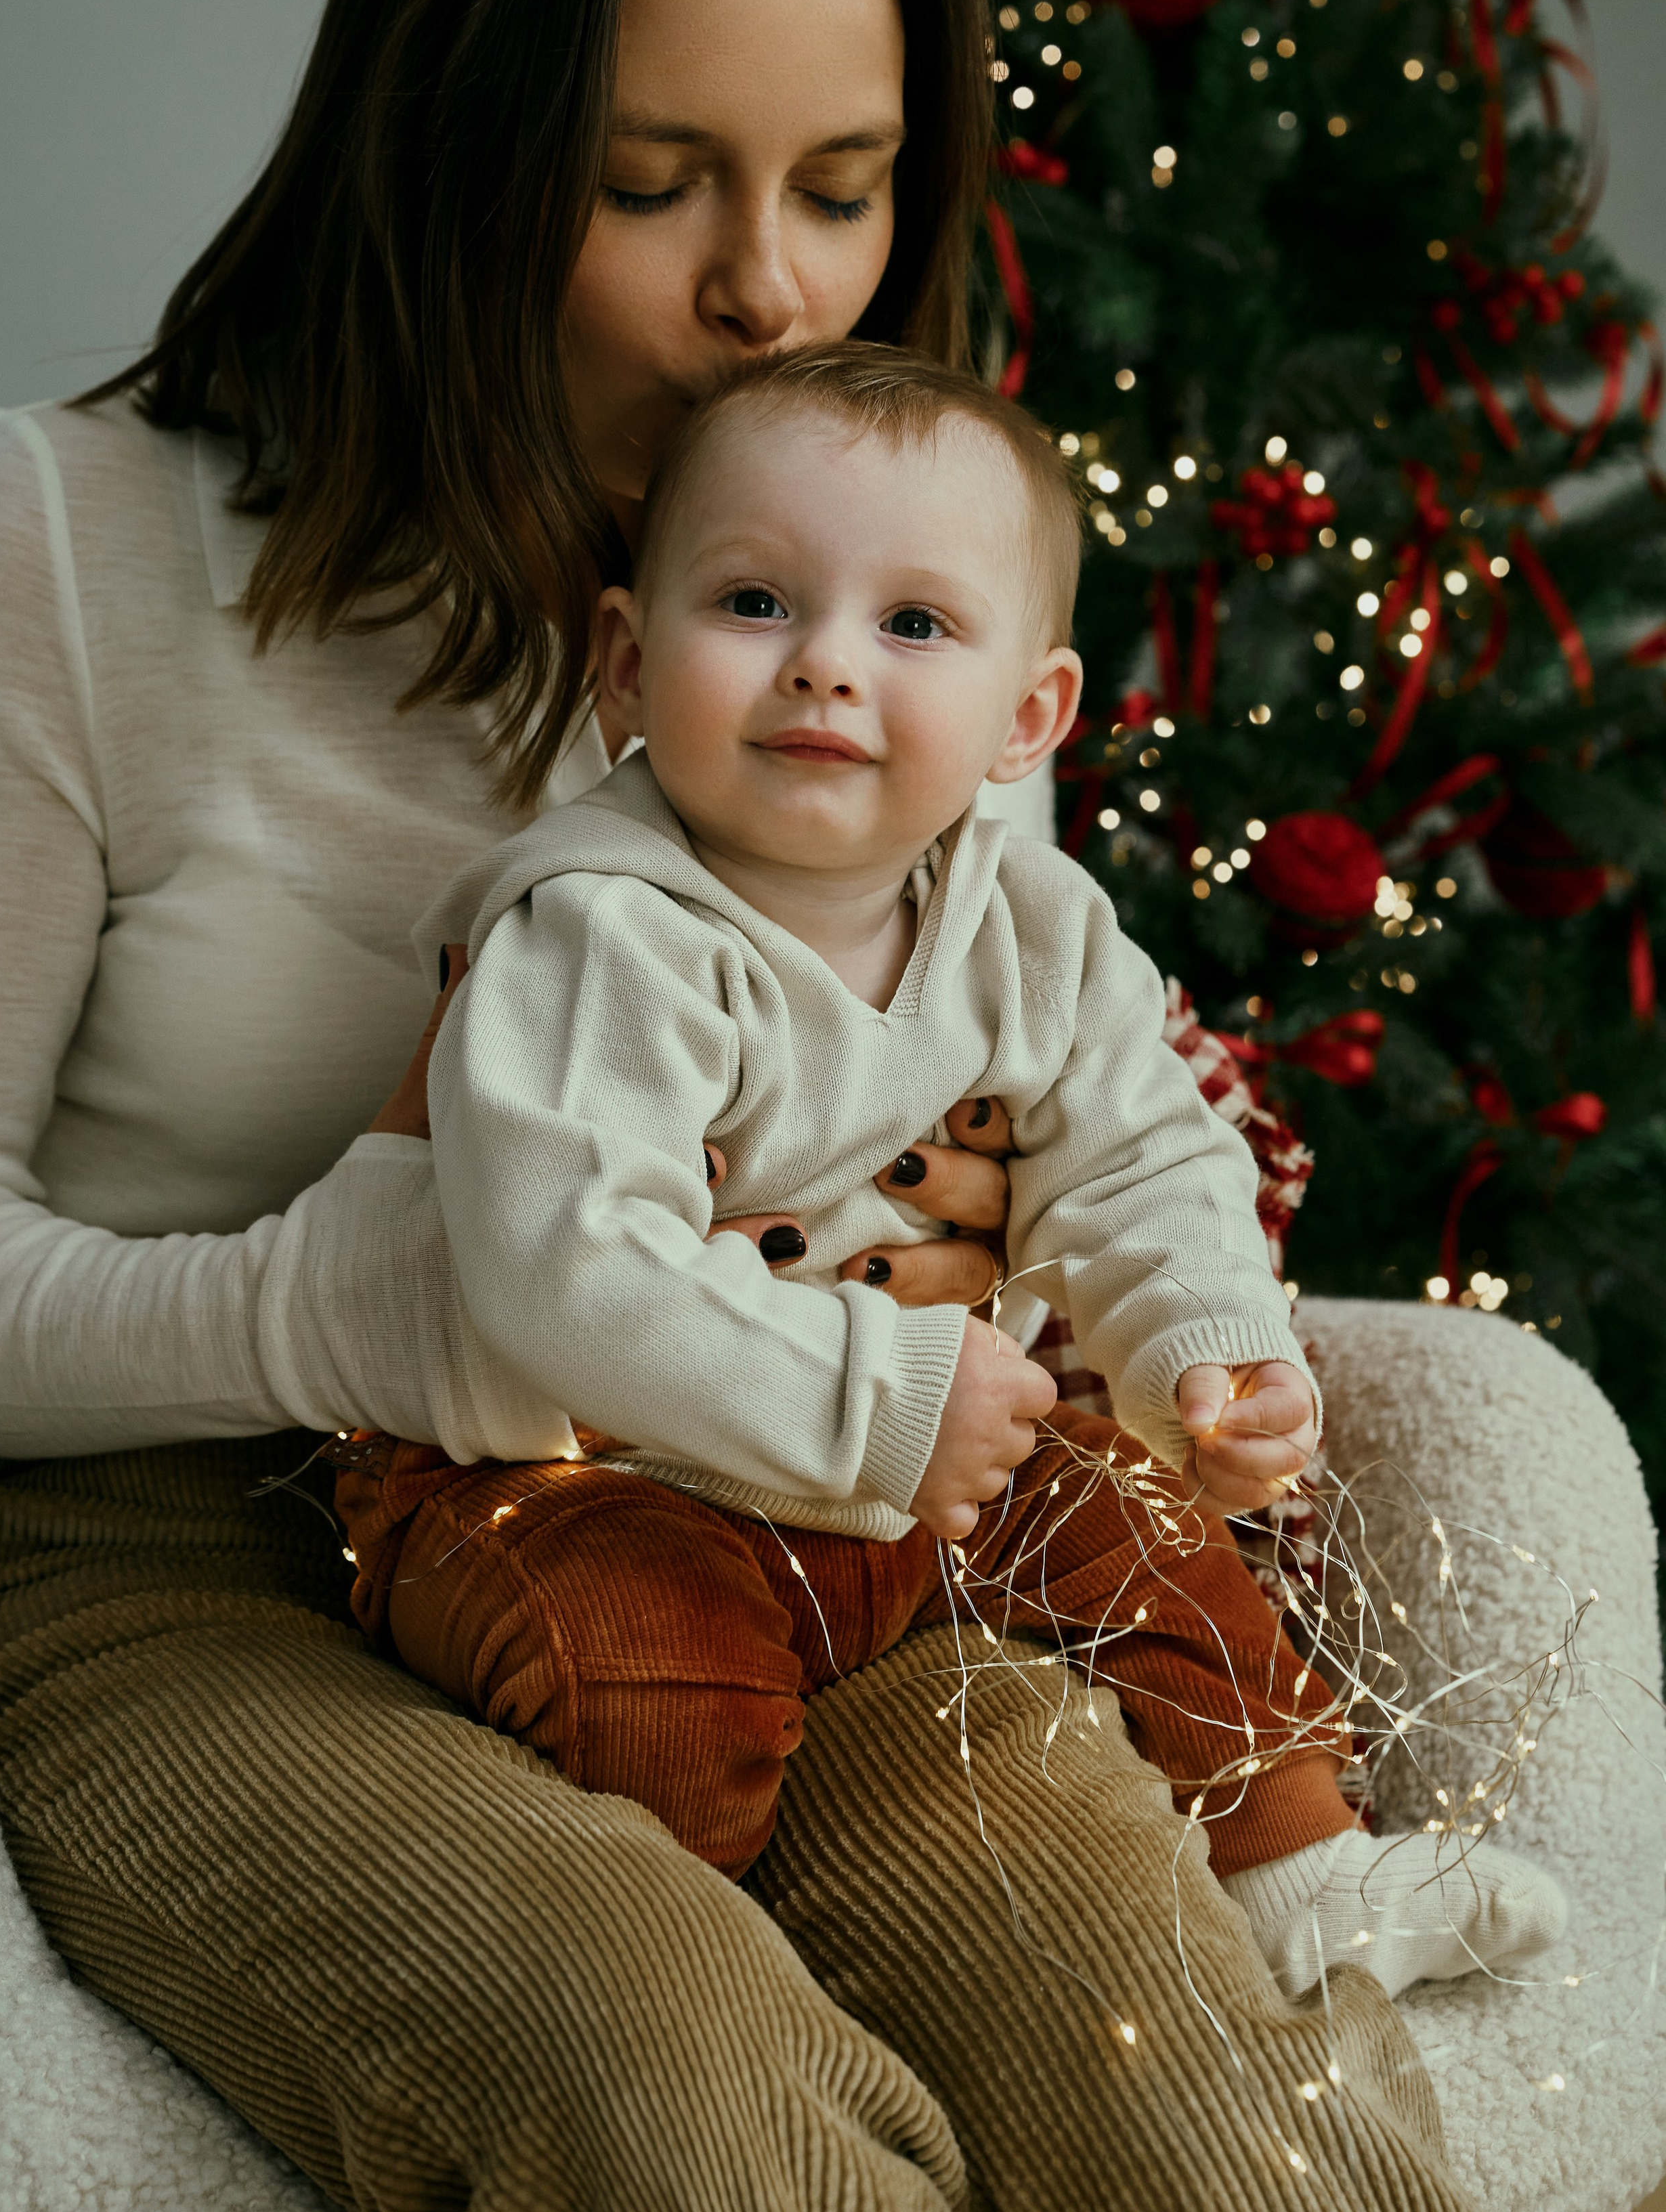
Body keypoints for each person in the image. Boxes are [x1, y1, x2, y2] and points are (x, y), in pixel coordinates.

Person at [0, 0, 1552, 2212]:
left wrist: (1107, 1331)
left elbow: (1051, 1093)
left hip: (777, 1523)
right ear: (447, 138)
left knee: (1163, 2064)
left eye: (844, 187)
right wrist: (315, 1307)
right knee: (682, 2086)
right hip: (162, 1556)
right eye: (650, 183)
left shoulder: (884, 579)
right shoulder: (61, 542)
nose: (769, 291)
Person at [334, 339, 1567, 2001]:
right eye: (755, 604)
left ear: (1025, 717)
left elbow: (1143, 1155)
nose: (825, 669)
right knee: (642, 1671)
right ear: (624, 666)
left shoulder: (1031, 927)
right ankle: (691, 1958)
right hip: (576, 1479)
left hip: (900, 1485)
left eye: (910, 626)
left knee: (1132, 1525)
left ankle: (1296, 1868)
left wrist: (1202, 1344)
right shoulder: (597, 931)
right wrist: (885, 1398)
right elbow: (566, 1265)